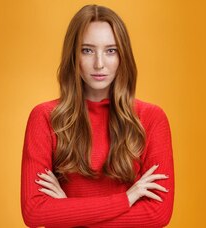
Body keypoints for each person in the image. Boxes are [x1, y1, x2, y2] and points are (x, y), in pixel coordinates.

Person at [21, 4, 174, 227]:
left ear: (123, 56)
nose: (99, 64)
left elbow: (157, 214)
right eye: (87, 50)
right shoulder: (45, 117)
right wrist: (126, 199)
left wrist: (68, 214)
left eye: (111, 50)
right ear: (73, 56)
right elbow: (34, 212)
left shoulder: (151, 118)